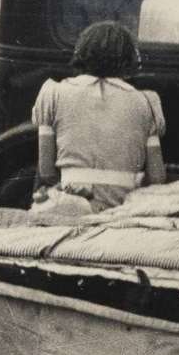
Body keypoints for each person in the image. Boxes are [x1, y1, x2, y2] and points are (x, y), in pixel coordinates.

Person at [30, 21, 166, 215]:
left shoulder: (53, 93)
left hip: (71, 204)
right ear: (128, 58)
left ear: (82, 51)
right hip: (122, 205)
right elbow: (157, 177)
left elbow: (46, 171)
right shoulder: (147, 101)